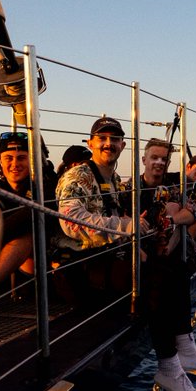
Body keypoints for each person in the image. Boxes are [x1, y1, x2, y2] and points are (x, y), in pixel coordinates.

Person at [127, 138, 196, 391]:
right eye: (153, 157)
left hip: (163, 250)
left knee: (178, 267)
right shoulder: (128, 188)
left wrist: (170, 219)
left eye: (164, 159)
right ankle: (169, 365)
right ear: (143, 160)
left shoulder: (170, 188)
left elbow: (191, 212)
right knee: (164, 277)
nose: (159, 162)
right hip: (138, 251)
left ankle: (186, 348)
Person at [55, 116, 147, 292]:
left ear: (123, 145)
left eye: (114, 139)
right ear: (90, 144)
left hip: (110, 255)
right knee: (158, 280)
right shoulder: (77, 177)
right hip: (81, 262)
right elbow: (70, 221)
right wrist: (125, 226)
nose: (108, 143)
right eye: (102, 138)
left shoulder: (115, 179)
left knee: (168, 269)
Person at [0, 130, 55, 299]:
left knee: (27, 234)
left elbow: (30, 216)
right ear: (0, 161)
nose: (15, 164)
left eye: (22, 158)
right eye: (8, 158)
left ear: (33, 161)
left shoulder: (47, 187)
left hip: (41, 263)